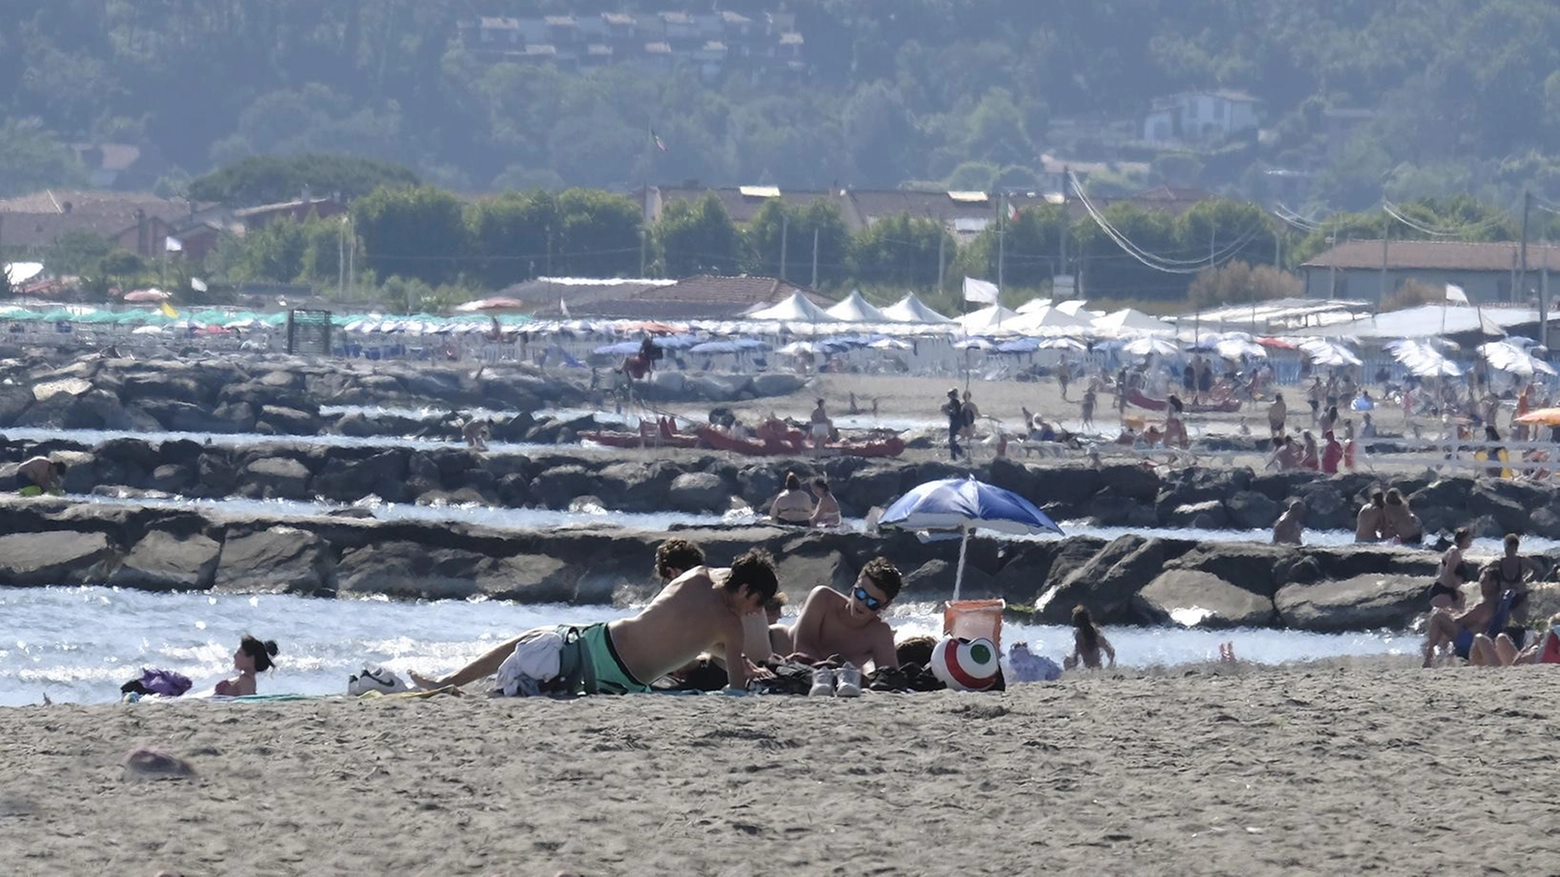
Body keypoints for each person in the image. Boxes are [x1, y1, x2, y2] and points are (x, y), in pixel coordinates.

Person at [413, 549, 780, 694]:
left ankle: (448, 681)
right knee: (532, 656)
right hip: (618, 678)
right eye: (757, 602)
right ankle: (449, 683)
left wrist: (737, 658)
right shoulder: (729, 626)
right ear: (745, 588)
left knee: (530, 643)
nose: (755, 611)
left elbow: (681, 627)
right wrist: (743, 664)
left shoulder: (696, 575)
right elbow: (735, 688)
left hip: (602, 642)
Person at [788, 557, 903, 673]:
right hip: (780, 648)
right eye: (860, 594)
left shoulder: (879, 633)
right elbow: (802, 648)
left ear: (885, 605)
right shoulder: (823, 599)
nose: (862, 604)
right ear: (856, 583)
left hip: (822, 677)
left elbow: (889, 675)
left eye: (872, 603)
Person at [1422, 568, 1503, 667]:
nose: (1481, 585)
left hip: (1468, 639)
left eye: (1483, 581)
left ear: (1494, 583)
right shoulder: (1494, 602)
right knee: (1443, 621)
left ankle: (1428, 659)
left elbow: (1461, 621)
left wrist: (1449, 613)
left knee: (1438, 618)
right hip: (1470, 636)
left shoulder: (1486, 605)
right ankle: (1444, 659)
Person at [214, 635, 279, 697]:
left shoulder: (246, 682)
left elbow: (245, 702)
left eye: (240, 653)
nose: (235, 656)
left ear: (251, 659)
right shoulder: (246, 680)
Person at [1429, 528, 1472, 611]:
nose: (1470, 542)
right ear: (1462, 540)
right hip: (1443, 591)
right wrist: (1455, 591)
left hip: (1450, 591)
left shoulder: (1457, 552)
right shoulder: (1454, 552)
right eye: (1468, 539)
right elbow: (1449, 572)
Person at [1063, 606, 1115, 670]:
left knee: (1068, 659)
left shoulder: (1095, 634)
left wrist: (1110, 665)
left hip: (1096, 668)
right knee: (1067, 659)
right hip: (1088, 668)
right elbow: (1077, 654)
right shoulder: (1079, 634)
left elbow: (1110, 651)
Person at [2, 455, 67, 496]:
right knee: (35, 492)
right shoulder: (44, 464)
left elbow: (54, 480)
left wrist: (59, 489)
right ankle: (19, 495)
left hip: (32, 480)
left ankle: (20, 494)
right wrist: (51, 490)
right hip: (23, 477)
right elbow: (41, 481)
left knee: (41, 490)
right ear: (54, 467)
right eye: (56, 472)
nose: (54, 474)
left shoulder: (49, 470)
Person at [942, 389, 965, 460]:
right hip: (955, 422)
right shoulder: (953, 402)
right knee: (952, 439)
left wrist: (948, 411)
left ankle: (958, 453)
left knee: (951, 439)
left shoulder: (955, 402)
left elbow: (955, 412)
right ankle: (953, 455)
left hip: (955, 422)